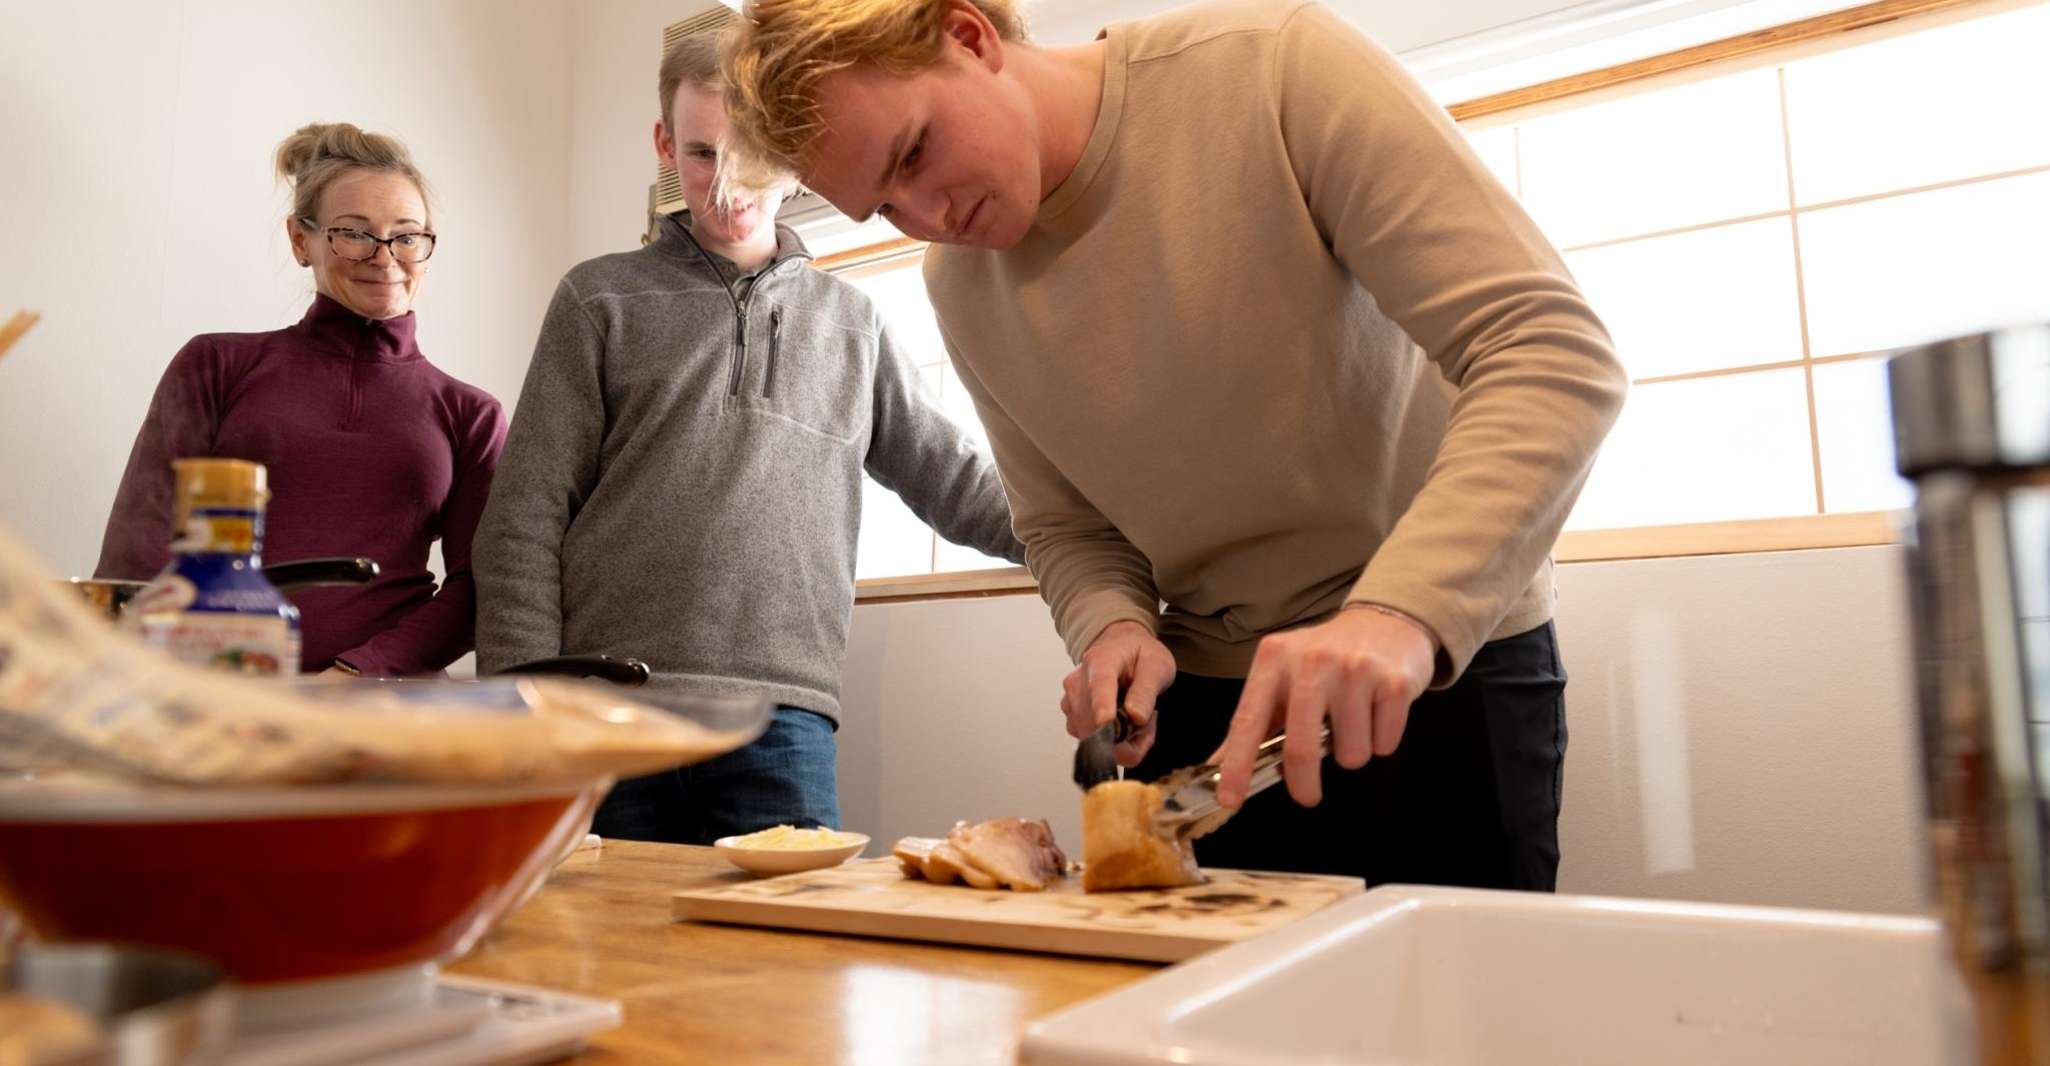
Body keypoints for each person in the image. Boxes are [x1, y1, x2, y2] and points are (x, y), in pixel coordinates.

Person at [720, 0, 1629, 889]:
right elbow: (1063, 524)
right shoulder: (959, 285)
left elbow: (1549, 354)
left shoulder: (1272, 65)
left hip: (1436, 661)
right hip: (1208, 711)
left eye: (915, 151)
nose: (928, 213)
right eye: (883, 206)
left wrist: (1396, 616)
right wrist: (1113, 625)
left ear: (969, 35)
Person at [472, 33, 1024, 845]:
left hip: (783, 719)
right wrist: (527, 709)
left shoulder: (853, 322)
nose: (727, 187)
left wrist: (1112, 546)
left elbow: (957, 482)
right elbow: (523, 515)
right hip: (607, 712)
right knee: (601, 958)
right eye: (700, 154)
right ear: (664, 144)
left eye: (755, 154)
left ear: (797, 151)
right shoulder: (598, 300)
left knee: (788, 963)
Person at [96, 123, 506, 678]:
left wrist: (357, 673)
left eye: (407, 236)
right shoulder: (215, 366)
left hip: (384, 708)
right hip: (216, 698)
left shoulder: (470, 415)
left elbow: (479, 587)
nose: (385, 258)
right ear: (300, 240)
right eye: (352, 233)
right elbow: (137, 554)